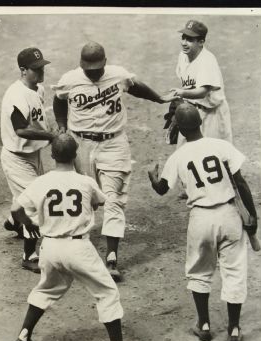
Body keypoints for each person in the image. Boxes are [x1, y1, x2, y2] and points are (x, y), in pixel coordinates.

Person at [10, 133, 141, 341]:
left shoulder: (40, 182)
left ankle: (24, 334)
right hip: (77, 247)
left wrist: (29, 223)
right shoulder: (85, 182)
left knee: (46, 289)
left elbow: (16, 208)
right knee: (107, 292)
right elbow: (99, 202)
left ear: (52, 155)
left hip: (49, 247)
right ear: (75, 154)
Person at [52, 41, 173, 281]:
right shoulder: (70, 79)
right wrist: (62, 126)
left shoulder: (118, 75)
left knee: (114, 199)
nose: (93, 73)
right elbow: (59, 99)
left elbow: (136, 87)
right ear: (81, 65)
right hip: (81, 144)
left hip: (114, 144)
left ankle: (112, 258)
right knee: (85, 198)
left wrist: (158, 98)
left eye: (97, 68)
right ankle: (77, 252)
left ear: (105, 63)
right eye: (89, 69)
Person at [148, 103, 257, 341]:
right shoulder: (221, 146)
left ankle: (204, 325)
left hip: (200, 218)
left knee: (199, 270)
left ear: (181, 129)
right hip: (229, 215)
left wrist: (153, 178)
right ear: (199, 122)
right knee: (234, 271)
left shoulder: (178, 156)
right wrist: (252, 219)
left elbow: (162, 188)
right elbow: (240, 183)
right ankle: (235, 327)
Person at [0, 47, 56, 273]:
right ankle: (29, 255)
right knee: (34, 203)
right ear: (23, 70)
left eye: (42, 66)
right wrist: (50, 136)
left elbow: (37, 120)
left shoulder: (38, 89)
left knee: (27, 198)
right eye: (35, 69)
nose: (41, 71)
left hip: (33, 155)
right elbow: (21, 130)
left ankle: (14, 222)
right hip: (17, 159)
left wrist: (50, 133)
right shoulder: (16, 95)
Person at [170, 20, 232, 144]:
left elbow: (203, 92)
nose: (184, 43)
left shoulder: (207, 61)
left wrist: (181, 93)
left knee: (214, 153)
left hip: (212, 114)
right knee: (186, 153)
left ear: (201, 42)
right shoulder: (183, 56)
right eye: (183, 38)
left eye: (190, 40)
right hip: (192, 111)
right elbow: (188, 85)